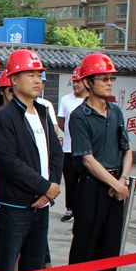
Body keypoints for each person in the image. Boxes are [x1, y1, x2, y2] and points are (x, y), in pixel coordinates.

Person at [0, 49, 63, 271]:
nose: (37, 80)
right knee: (5, 267)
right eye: (30, 75)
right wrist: (44, 187)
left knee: (34, 263)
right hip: (14, 205)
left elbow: (56, 153)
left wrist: (51, 189)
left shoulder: (43, 111)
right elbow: (8, 162)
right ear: (14, 79)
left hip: (41, 204)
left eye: (38, 75)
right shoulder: (3, 118)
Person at [66, 53, 132, 271]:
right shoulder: (79, 116)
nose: (109, 83)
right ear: (88, 82)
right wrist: (115, 185)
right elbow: (87, 159)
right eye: (103, 79)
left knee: (109, 248)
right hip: (91, 187)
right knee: (83, 248)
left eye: (110, 78)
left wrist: (123, 180)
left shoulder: (116, 112)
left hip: (116, 186)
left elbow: (126, 149)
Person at [57, 67, 88, 222]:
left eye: (79, 81)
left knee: (86, 182)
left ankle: (84, 209)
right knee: (70, 182)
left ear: (86, 82)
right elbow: (61, 121)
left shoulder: (92, 100)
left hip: (88, 151)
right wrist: (73, 134)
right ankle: (70, 209)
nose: (75, 85)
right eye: (74, 81)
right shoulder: (66, 100)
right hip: (69, 149)